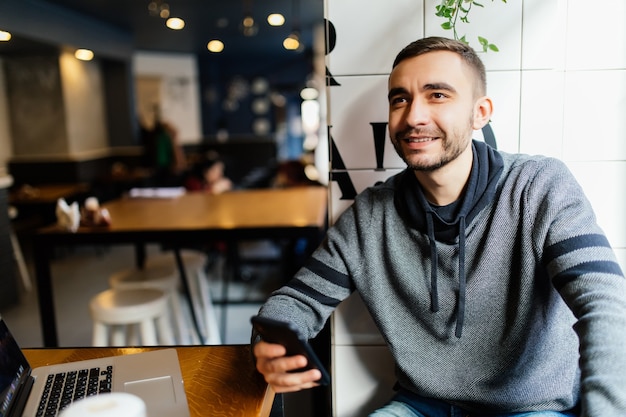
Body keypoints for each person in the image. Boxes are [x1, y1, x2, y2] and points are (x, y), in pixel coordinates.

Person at [252, 36, 626, 416]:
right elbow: (296, 301)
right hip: (421, 407)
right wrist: (273, 340)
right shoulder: (371, 215)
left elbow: (606, 304)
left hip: (531, 408)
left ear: (480, 112)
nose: (414, 116)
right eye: (400, 99)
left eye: (438, 95)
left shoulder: (539, 187)